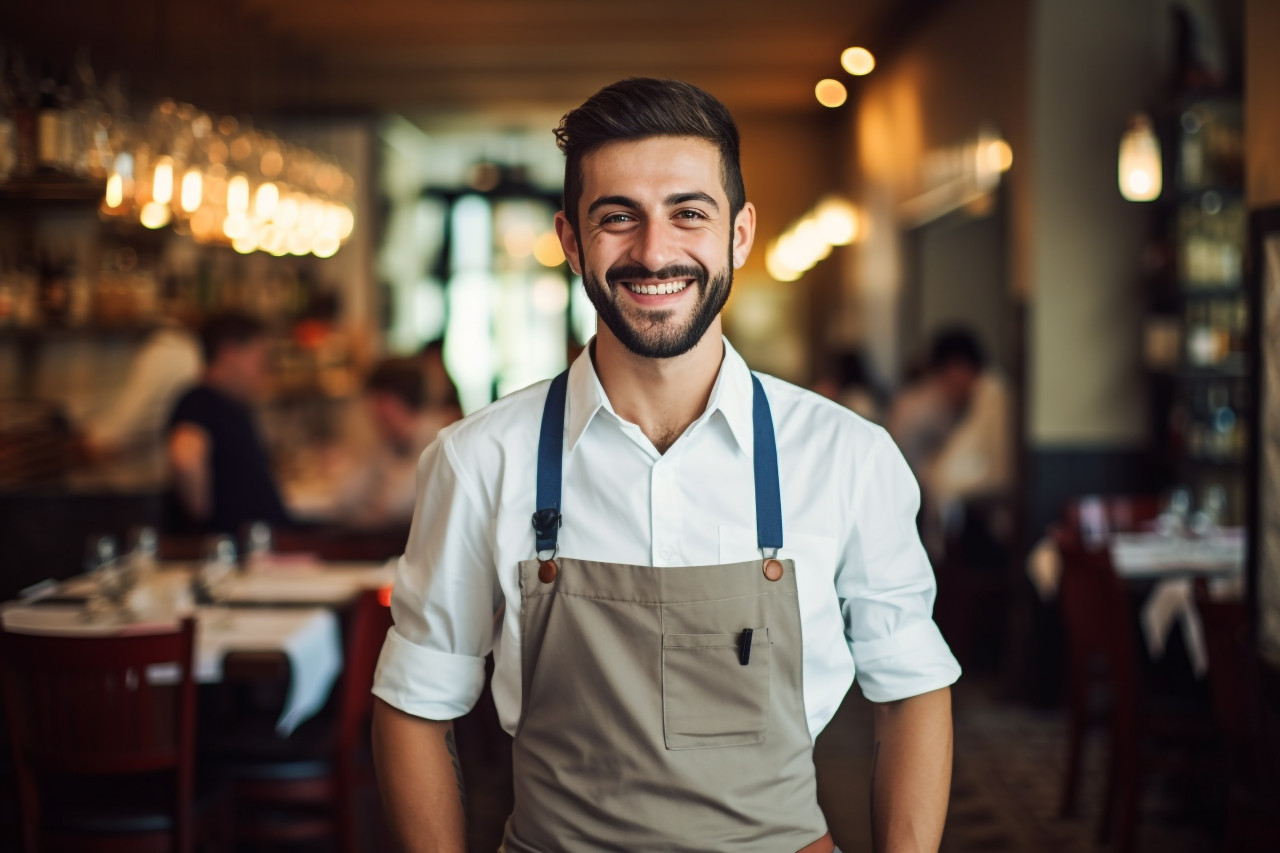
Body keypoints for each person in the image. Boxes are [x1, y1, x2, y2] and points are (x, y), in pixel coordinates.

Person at [372, 78, 959, 853]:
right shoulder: (478, 458)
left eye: (689, 213)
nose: (654, 251)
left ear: (739, 234)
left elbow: (911, 687)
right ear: (572, 239)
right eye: (618, 217)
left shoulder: (847, 455)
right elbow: (414, 702)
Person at [164, 311, 291, 535]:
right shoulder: (200, 401)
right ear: (230, 353)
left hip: (255, 546)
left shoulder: (229, 404)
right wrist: (204, 520)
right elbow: (185, 459)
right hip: (236, 550)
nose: (261, 373)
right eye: (258, 362)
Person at [329, 358, 456, 529]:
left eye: (379, 400)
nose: (371, 411)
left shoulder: (439, 443)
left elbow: (394, 504)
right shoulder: (389, 445)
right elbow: (345, 498)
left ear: (395, 401)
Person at [81, 313, 202, 461]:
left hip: (153, 470)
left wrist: (92, 439)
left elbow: (125, 426)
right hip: (169, 465)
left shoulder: (163, 353)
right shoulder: (185, 351)